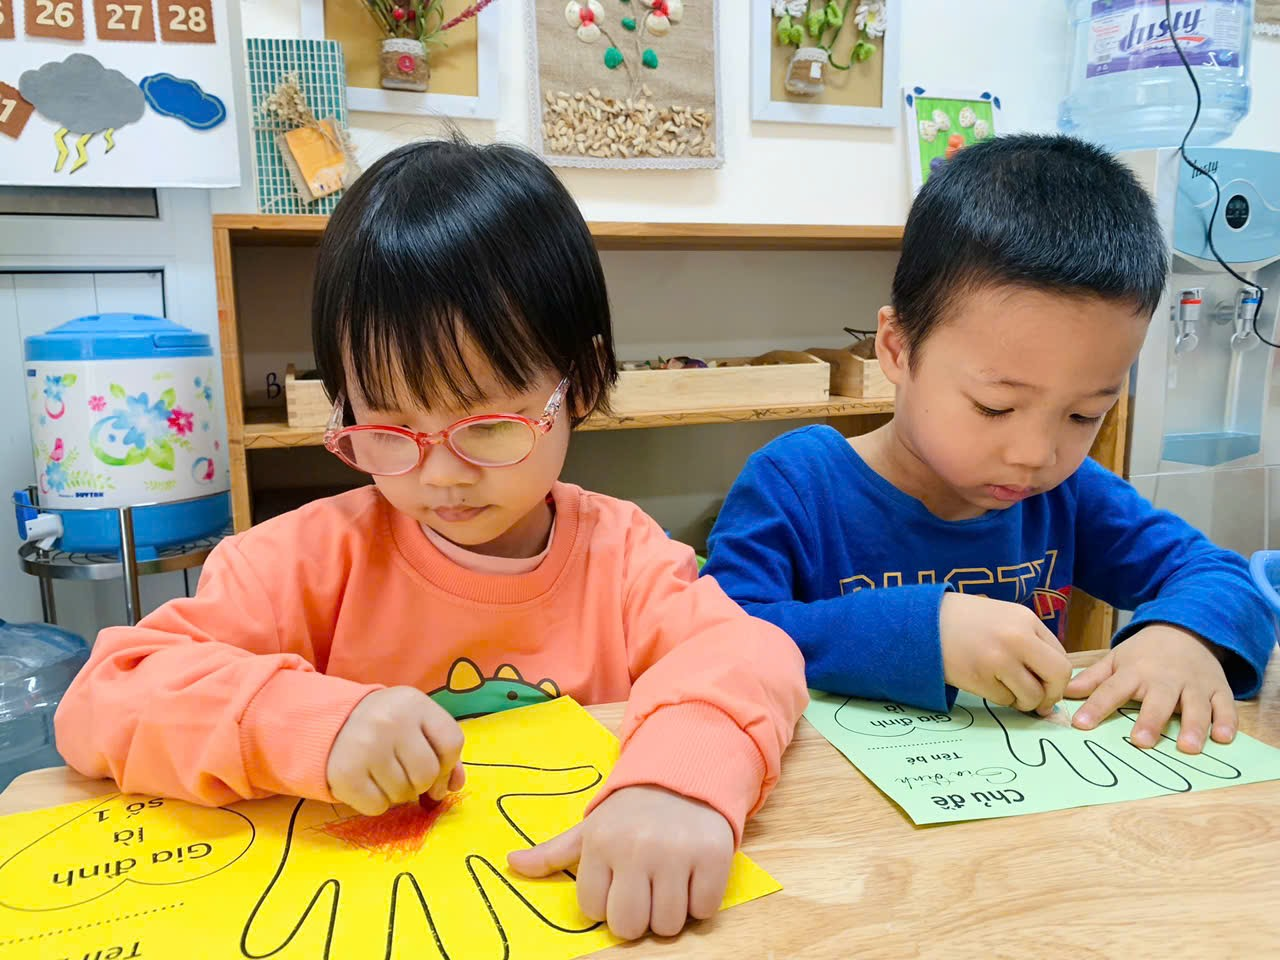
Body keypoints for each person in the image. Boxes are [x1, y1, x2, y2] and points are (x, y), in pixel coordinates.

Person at [54, 138, 808, 942]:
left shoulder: (623, 555)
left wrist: (680, 780)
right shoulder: (297, 563)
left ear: (580, 385)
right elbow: (107, 697)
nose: (439, 475)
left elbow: (748, 653)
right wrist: (306, 722)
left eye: (487, 425)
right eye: (387, 428)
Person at [703, 134, 1275, 756]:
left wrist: (1183, 635)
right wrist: (925, 632)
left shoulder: (1068, 495)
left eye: (1084, 415)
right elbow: (715, 633)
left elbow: (1224, 577)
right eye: (994, 407)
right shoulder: (796, 485)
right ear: (897, 349)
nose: (1036, 454)